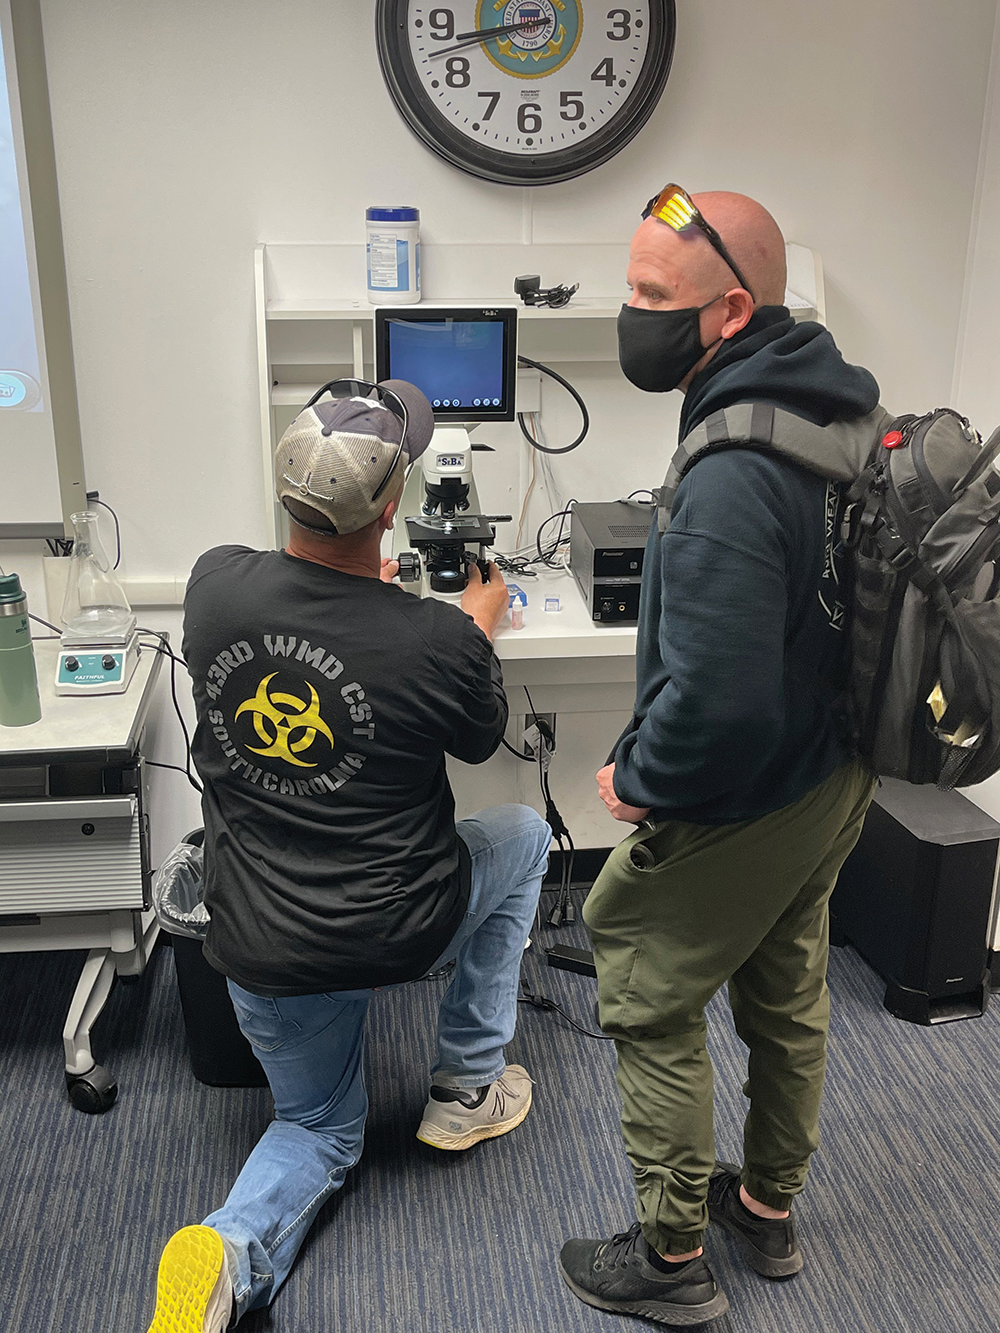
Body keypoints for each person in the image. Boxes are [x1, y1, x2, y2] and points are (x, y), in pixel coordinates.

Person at [143, 379, 550, 1333]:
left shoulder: (212, 584)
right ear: (394, 505)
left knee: (317, 1128)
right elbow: (482, 730)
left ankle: (229, 1250)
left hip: (262, 942)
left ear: (284, 490)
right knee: (525, 837)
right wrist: (478, 619)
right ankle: (465, 1088)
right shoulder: (437, 639)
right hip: (399, 927)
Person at [559, 188, 879, 1326]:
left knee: (640, 976)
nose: (630, 314)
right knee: (785, 984)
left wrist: (637, 777)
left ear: (731, 310)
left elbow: (718, 705)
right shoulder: (833, 405)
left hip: (751, 786)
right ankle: (766, 1205)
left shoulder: (731, 475)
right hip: (835, 771)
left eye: (652, 298)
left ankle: (668, 1257)